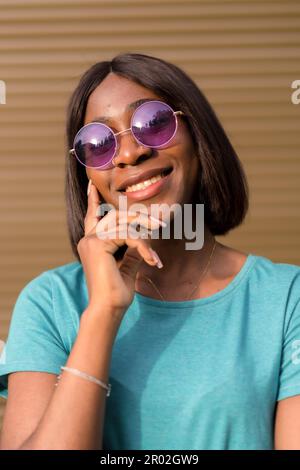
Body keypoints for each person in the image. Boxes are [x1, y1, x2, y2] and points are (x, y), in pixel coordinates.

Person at [0, 52, 300, 450]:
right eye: (99, 143)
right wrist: (103, 310)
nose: (129, 154)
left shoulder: (285, 298)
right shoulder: (50, 302)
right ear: (87, 177)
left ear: (198, 137)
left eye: (154, 123)